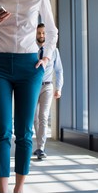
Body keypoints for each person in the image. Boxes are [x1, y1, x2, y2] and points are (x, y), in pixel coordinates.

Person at [0, 0, 58, 193]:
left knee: (25, 131)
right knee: (2, 130)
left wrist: (46, 59)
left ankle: (19, 190)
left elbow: (51, 30)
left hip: (29, 66)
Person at [33, 23, 64, 160]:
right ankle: (39, 143)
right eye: (39, 33)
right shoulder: (30, 49)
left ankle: (41, 147)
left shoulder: (53, 51)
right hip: (32, 87)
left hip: (47, 86)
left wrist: (59, 88)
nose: (41, 35)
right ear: (35, 34)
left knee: (43, 117)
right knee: (34, 118)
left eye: (44, 33)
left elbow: (59, 70)